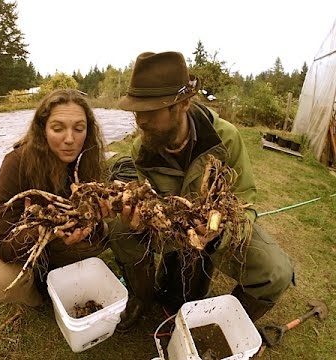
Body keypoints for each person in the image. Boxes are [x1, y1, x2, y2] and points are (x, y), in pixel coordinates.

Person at [110, 51, 295, 331]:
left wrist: (218, 231)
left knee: (275, 271)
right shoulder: (141, 149)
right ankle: (141, 297)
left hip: (218, 231)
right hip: (169, 227)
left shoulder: (225, 138)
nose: (140, 121)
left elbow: (245, 199)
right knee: (118, 229)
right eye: (137, 111)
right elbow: (147, 199)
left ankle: (224, 324)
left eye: (150, 111)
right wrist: (139, 219)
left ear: (182, 105)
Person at [0, 88, 108, 306]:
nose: (70, 139)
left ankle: (51, 266)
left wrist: (90, 219)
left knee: (100, 236)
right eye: (58, 129)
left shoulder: (87, 160)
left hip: (55, 230)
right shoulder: (16, 163)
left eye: (79, 129)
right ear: (43, 130)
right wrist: (44, 230)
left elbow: (88, 220)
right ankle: (39, 300)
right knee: (3, 284)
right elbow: (3, 246)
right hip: (7, 233)